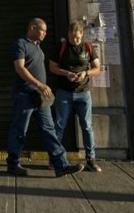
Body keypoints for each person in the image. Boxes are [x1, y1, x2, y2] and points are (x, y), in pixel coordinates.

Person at [6, 18, 84, 177]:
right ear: (33, 27)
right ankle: (13, 165)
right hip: (24, 95)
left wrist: (42, 88)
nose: (45, 34)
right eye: (43, 30)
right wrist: (39, 84)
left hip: (41, 98)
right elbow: (20, 68)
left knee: (50, 131)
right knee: (19, 131)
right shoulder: (20, 44)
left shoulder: (38, 48)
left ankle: (61, 166)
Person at [49, 20, 102, 172]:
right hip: (64, 93)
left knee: (87, 126)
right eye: (72, 38)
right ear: (68, 35)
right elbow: (52, 67)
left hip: (83, 93)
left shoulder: (88, 47)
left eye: (78, 37)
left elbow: (97, 68)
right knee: (59, 126)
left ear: (82, 34)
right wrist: (66, 74)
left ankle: (91, 160)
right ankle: (55, 159)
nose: (75, 40)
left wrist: (85, 73)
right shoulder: (61, 47)